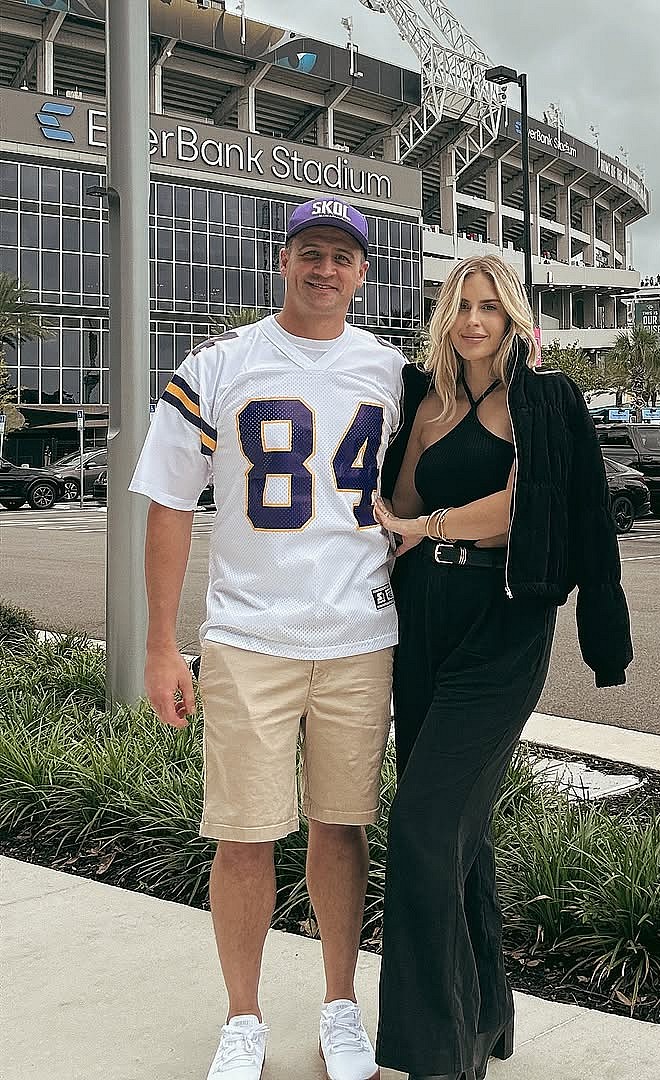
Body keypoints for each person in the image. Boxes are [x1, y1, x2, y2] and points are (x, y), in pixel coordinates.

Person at [131, 198, 403, 1080]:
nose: (325, 269)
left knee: (342, 826)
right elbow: (170, 501)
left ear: (364, 272)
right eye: (309, 252)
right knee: (243, 834)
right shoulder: (220, 364)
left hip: (360, 629)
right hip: (250, 633)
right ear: (281, 261)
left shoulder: (394, 372)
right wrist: (162, 645)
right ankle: (242, 1017)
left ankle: (338, 1005)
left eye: (342, 256)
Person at [372, 254, 633, 1080]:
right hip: (423, 620)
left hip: (504, 623)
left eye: (489, 306)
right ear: (445, 316)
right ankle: (481, 1023)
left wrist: (434, 525)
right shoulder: (426, 401)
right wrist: (411, 516)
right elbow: (400, 509)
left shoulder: (542, 399)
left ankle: (437, 1057)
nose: (475, 320)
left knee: (420, 825)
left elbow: (529, 505)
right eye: (461, 306)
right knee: (461, 835)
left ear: (515, 316)